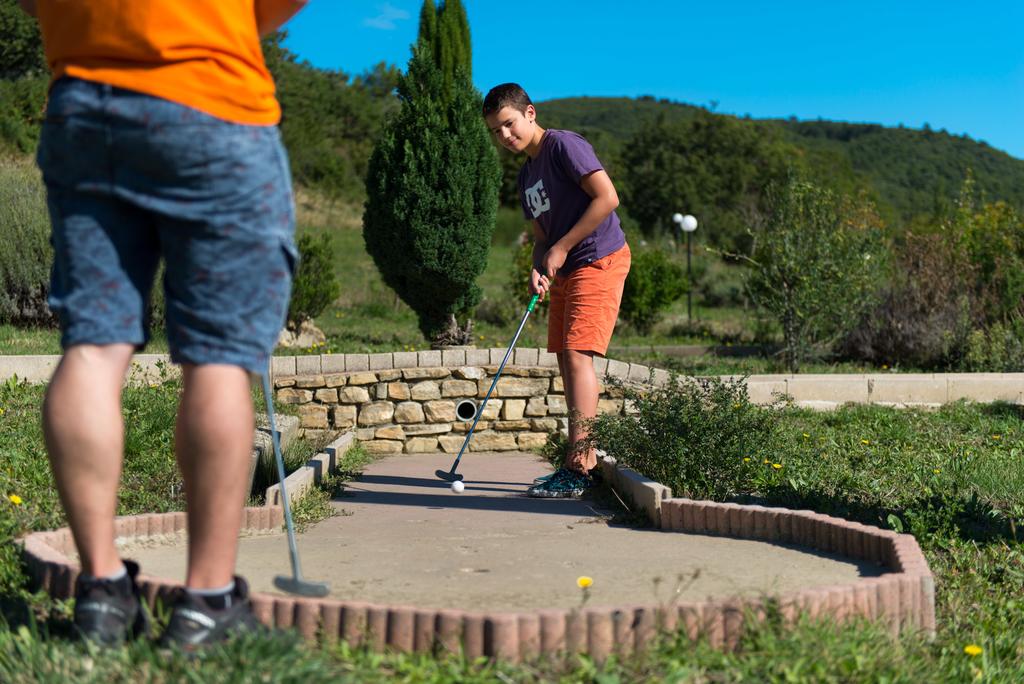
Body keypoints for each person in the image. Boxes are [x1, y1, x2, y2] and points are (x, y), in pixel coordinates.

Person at [18, 0, 308, 648]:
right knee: (218, 357)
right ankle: (206, 603)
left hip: (84, 102)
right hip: (211, 92)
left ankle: (101, 596)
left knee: (92, 344)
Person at [482, 83, 631, 499]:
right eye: (495, 131)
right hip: (567, 268)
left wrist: (562, 248)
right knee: (566, 360)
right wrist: (538, 265)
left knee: (578, 355)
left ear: (530, 113)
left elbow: (607, 198)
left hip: (598, 258)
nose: (504, 136)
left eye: (509, 124)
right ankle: (580, 461)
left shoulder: (563, 145)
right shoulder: (526, 175)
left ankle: (579, 468)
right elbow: (541, 236)